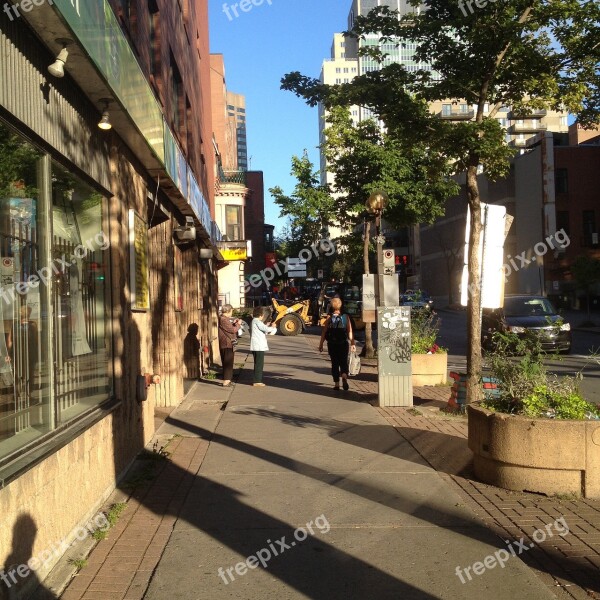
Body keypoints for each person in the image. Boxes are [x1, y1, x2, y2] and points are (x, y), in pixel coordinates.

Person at [319, 297, 356, 390]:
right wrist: (352, 343)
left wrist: (321, 344)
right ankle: (344, 376)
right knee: (343, 362)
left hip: (332, 344)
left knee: (334, 363)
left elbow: (324, 332)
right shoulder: (345, 317)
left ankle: (336, 384)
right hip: (343, 344)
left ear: (332, 306)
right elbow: (350, 331)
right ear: (341, 305)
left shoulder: (329, 317)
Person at [249, 306, 277, 387]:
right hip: (258, 346)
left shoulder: (255, 321)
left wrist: (268, 326)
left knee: (257, 363)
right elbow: (266, 329)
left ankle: (256, 379)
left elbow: (263, 328)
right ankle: (257, 381)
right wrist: (272, 326)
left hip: (257, 346)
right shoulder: (257, 321)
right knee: (259, 364)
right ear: (261, 315)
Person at [218, 305, 240, 387]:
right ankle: (226, 381)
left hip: (226, 343)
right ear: (228, 311)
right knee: (228, 362)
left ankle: (228, 379)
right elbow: (232, 330)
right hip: (227, 343)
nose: (232, 313)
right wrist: (238, 325)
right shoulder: (224, 319)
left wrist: (234, 324)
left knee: (228, 362)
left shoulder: (224, 319)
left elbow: (229, 328)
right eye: (231, 311)